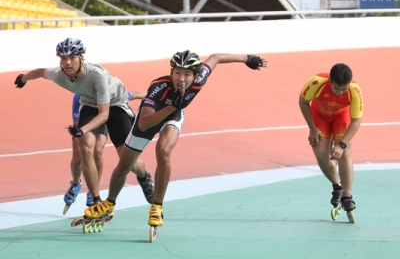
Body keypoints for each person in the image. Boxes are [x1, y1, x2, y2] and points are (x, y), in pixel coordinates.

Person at [84, 50, 268, 228]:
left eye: (186, 74)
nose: (180, 78)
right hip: (150, 117)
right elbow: (146, 123)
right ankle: (109, 203)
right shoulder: (158, 87)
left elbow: (216, 57)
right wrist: (172, 105)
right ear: (171, 71)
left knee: (163, 151)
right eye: (177, 72)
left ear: (195, 76)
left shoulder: (200, 78)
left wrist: (247, 58)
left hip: (173, 116)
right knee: (125, 166)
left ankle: (157, 206)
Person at [14, 37, 154, 208]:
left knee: (127, 162)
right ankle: (96, 200)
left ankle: (143, 175)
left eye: (72, 57)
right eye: (63, 58)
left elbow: (104, 115)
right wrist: (23, 78)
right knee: (86, 147)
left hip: (115, 105)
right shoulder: (59, 74)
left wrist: (82, 129)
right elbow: (40, 72)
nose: (67, 62)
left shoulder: (97, 76)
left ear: (81, 58)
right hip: (90, 104)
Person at [65, 90, 150, 212]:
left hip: (105, 116)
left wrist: (155, 95)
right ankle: (76, 183)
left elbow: (136, 95)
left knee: (98, 151)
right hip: (87, 118)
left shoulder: (110, 93)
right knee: (78, 157)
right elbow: (77, 124)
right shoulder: (79, 97)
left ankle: (93, 191)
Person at [298, 63, 363, 215]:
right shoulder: (316, 82)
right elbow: (303, 102)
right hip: (319, 117)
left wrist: (341, 145)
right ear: (330, 81)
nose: (340, 93)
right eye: (336, 89)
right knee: (320, 151)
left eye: (343, 89)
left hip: (341, 117)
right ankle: (337, 187)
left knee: (344, 153)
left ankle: (347, 196)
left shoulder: (355, 90)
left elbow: (356, 121)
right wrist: (313, 128)